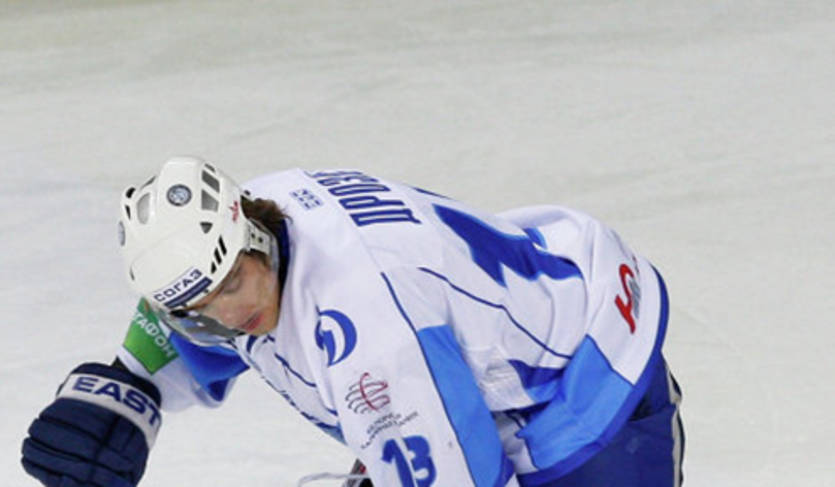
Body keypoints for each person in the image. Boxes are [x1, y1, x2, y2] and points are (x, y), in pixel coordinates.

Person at [21, 155, 685, 487]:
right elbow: (192, 303)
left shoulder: (366, 325)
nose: (233, 316)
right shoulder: (261, 213)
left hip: (584, 377)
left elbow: (457, 471)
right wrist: (128, 384)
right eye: (204, 310)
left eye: (233, 286)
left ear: (251, 237)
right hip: (504, 323)